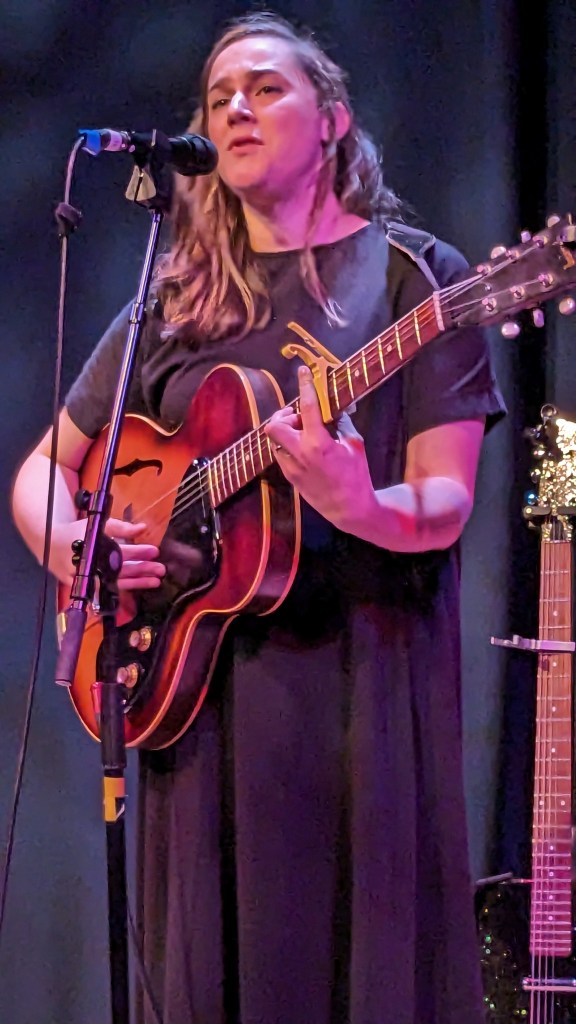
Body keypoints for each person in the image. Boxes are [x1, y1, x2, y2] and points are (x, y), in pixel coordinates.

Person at [11, 11, 506, 1024]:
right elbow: (41, 473)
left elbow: (445, 502)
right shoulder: (174, 301)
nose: (236, 107)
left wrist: (354, 501)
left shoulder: (416, 280)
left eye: (267, 87)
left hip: (358, 693)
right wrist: (79, 546)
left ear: (333, 120)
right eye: (218, 96)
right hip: (194, 698)